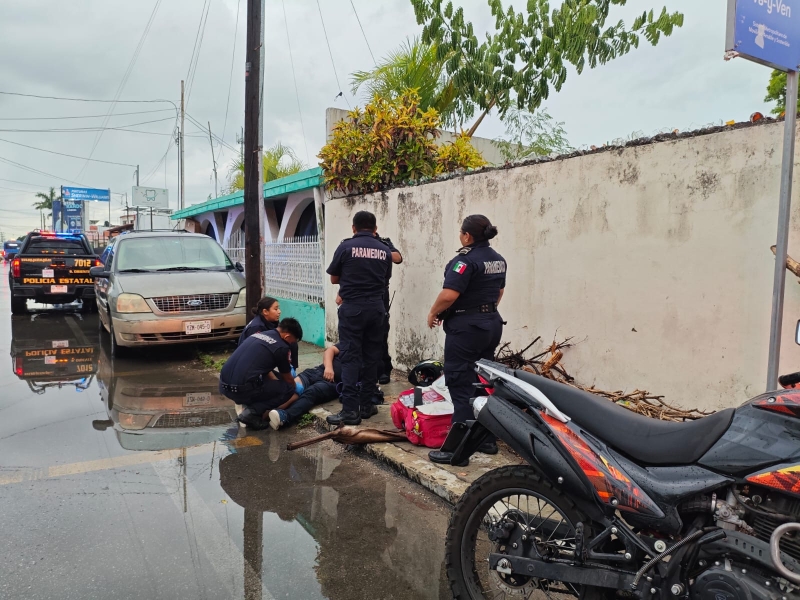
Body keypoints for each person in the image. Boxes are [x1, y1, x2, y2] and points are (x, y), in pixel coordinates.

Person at [425, 215, 507, 465]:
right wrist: (484, 313)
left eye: (462, 232)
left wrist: (433, 312)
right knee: (481, 381)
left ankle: (457, 450)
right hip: (491, 323)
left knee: (461, 383)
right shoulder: (498, 260)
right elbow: (499, 292)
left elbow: (449, 294)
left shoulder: (465, 260)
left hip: (467, 329)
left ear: (467, 236)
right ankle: (487, 439)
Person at [326, 210, 392, 425]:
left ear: (353, 228)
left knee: (350, 357)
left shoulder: (345, 247)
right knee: (372, 357)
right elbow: (385, 278)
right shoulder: (384, 250)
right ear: (375, 229)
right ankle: (366, 405)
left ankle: (350, 411)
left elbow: (334, 278)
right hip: (376, 308)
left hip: (353, 309)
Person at [219, 317, 304, 429]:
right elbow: (288, 379)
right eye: (293, 341)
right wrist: (295, 389)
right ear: (287, 336)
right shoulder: (281, 347)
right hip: (240, 390)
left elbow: (264, 368)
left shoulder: (260, 335)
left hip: (224, 386)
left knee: (276, 380)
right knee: (289, 388)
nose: (291, 344)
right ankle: (251, 413)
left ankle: (246, 405)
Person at [267, 344, 343, 430]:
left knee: (312, 391)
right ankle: (267, 409)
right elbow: (330, 350)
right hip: (319, 371)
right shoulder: (350, 342)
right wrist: (329, 368)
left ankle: (285, 416)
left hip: (334, 383)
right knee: (293, 386)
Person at [239, 296, 299, 370]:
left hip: (264, 356)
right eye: (276, 309)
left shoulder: (272, 321)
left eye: (278, 308)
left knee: (292, 342)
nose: (279, 311)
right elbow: (255, 352)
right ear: (265, 312)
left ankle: (292, 369)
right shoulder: (257, 327)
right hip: (250, 363)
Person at [377, 232, 403, 384]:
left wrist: (379, 249)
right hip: (358, 293)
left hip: (381, 293)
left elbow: (398, 258)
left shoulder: (384, 243)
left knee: (381, 331)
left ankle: (383, 369)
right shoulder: (353, 244)